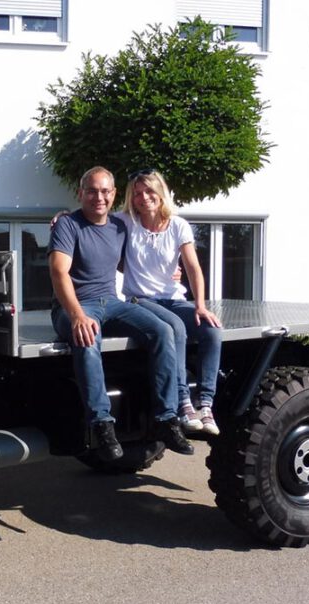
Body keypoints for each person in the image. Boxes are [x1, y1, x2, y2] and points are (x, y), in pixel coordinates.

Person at [48, 166, 194, 461]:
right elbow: (58, 271)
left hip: (112, 302)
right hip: (75, 305)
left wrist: (169, 272)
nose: (98, 197)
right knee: (88, 338)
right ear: (81, 193)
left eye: (105, 191)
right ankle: (102, 423)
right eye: (92, 191)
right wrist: (76, 315)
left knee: (162, 331)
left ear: (114, 195)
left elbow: (139, 260)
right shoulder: (68, 225)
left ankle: (166, 419)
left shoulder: (119, 225)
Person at [121, 169, 222, 435]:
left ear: (161, 192)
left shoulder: (178, 225)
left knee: (211, 329)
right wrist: (63, 218)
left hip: (174, 298)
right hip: (140, 299)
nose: (144, 198)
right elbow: (93, 221)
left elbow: (193, 267)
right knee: (175, 328)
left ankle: (205, 403)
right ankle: (183, 402)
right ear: (131, 198)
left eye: (149, 191)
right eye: (138, 193)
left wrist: (200, 305)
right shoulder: (126, 222)